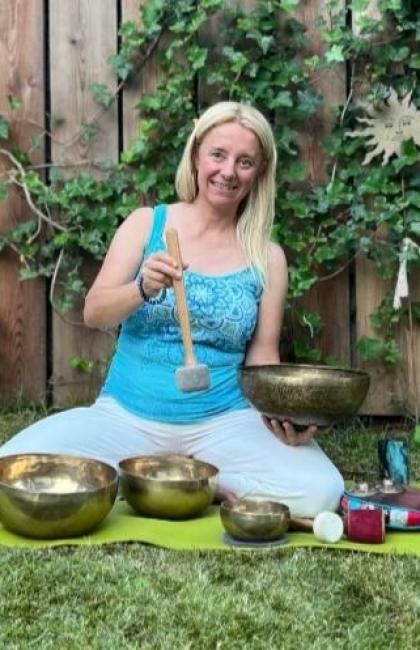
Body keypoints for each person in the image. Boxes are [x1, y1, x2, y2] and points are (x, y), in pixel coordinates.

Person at [0, 102, 344, 518]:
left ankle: (182, 482)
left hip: (226, 422)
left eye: (245, 161)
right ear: (197, 155)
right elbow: (95, 312)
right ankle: (183, 479)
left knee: (323, 490)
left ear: (259, 173)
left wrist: (284, 413)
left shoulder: (266, 257)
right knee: (12, 464)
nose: (228, 171)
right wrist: (142, 288)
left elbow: (263, 357)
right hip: (126, 419)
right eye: (218, 155)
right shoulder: (147, 225)